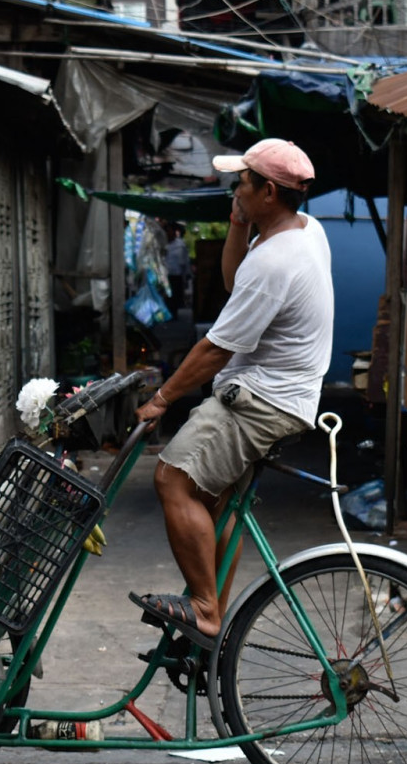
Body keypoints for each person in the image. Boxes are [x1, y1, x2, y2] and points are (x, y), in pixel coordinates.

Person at [129, 138, 333, 649]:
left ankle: (203, 609)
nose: (233, 187)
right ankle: (212, 608)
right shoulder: (304, 230)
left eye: (242, 181)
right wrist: (239, 223)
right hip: (288, 393)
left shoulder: (276, 262)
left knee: (172, 479)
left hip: (263, 398)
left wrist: (162, 399)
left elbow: (217, 347)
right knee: (217, 503)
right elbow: (233, 280)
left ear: (268, 190)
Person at [163, 222, 191, 312]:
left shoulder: (180, 245)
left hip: (176, 274)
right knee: (167, 295)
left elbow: (185, 260)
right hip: (165, 274)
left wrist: (187, 274)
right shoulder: (162, 245)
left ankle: (174, 311)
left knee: (175, 295)